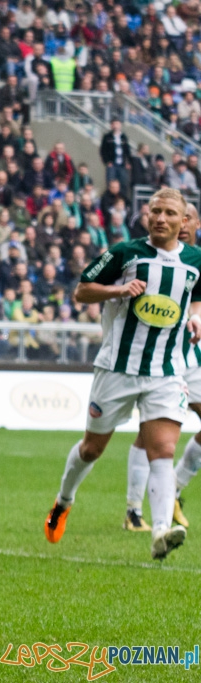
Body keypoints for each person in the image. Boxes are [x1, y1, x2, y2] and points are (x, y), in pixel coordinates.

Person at [45, 189, 201, 561]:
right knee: (92, 449)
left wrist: (196, 317)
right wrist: (118, 288)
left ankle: (161, 529)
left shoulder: (196, 261)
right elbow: (81, 290)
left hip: (166, 371)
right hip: (117, 368)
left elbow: (196, 298)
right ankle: (63, 502)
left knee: (162, 449)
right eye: (155, 211)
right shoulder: (125, 253)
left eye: (169, 213)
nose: (160, 218)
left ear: (183, 223)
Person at [124, 204, 201, 532]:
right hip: (157, 357)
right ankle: (133, 511)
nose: (180, 224)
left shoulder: (197, 262)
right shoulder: (149, 258)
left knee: (153, 434)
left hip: (190, 356)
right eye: (174, 217)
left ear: (196, 222)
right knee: (150, 433)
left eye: (186, 218)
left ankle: (175, 490)